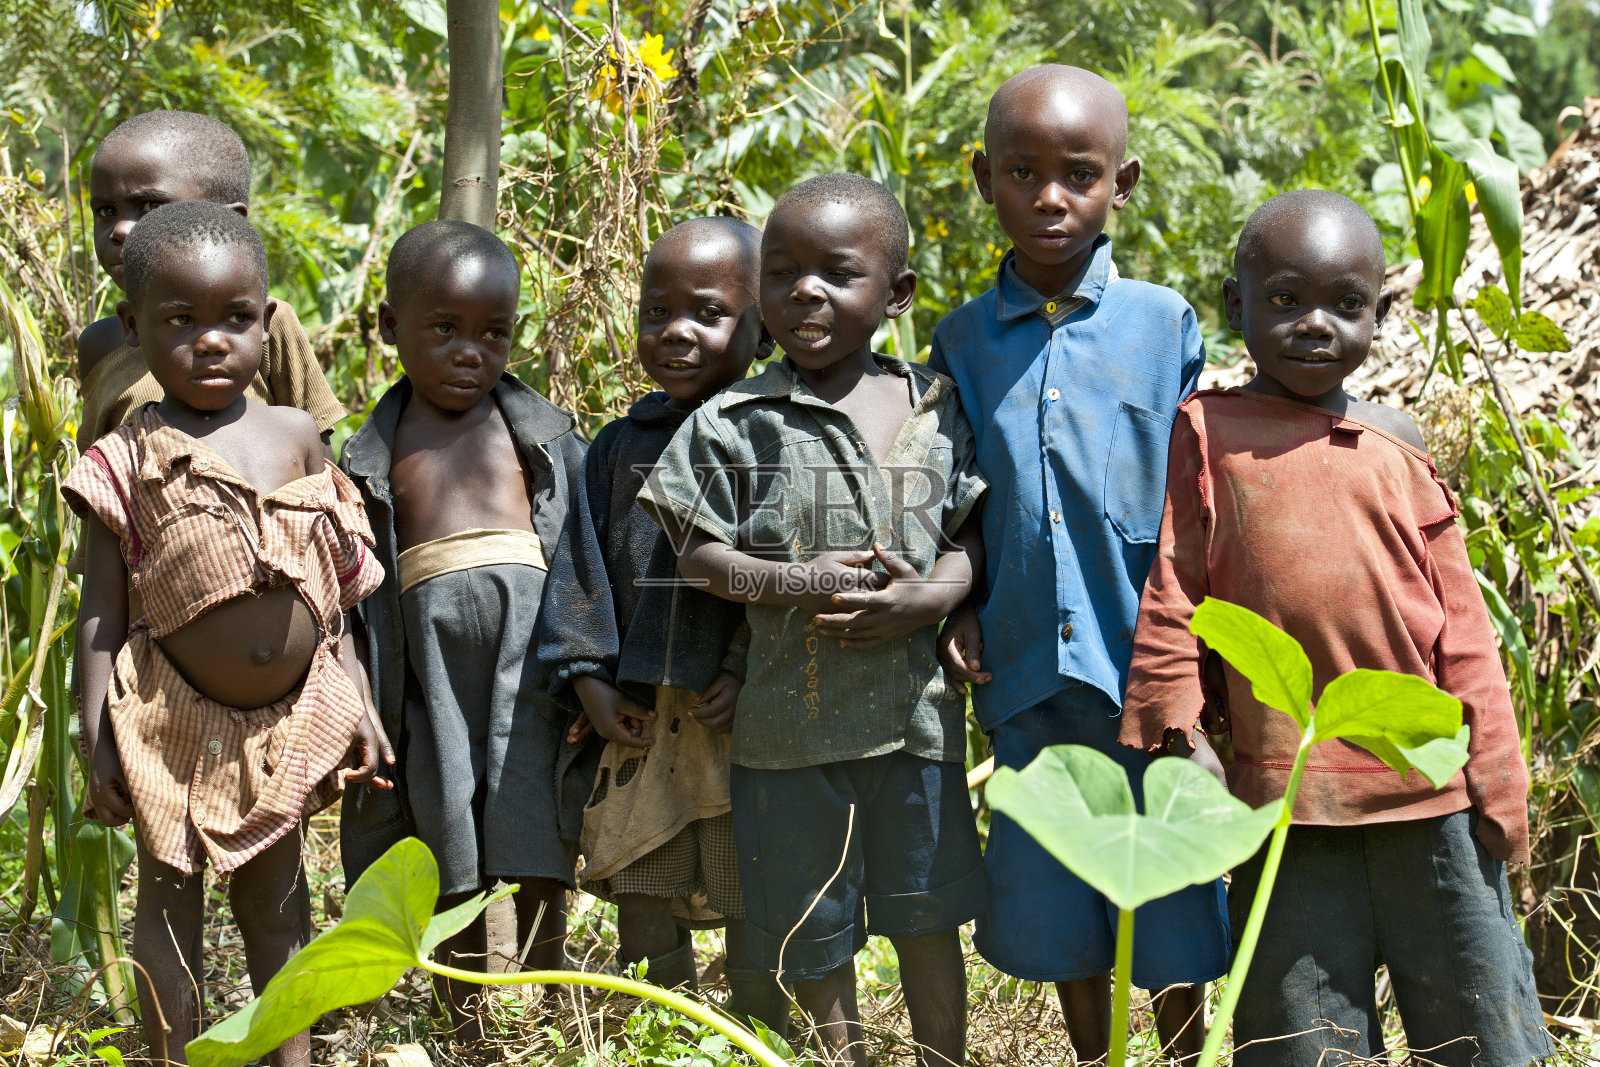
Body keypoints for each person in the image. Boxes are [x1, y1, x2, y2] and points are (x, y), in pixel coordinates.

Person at [1120, 190, 1551, 1067]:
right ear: (1237, 305)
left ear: (1381, 313)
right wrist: (1175, 724)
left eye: (1344, 303)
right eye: (1285, 300)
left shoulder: (1398, 446)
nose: (1314, 324)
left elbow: (1463, 630)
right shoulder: (1206, 433)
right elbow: (1173, 586)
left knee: (1478, 1025)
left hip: (1432, 801)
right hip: (1288, 813)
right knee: (1300, 1038)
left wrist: (1498, 780)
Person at [640, 174, 988, 1067]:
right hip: (786, 736)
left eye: (837, 273)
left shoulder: (938, 408)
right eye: (783, 271)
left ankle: (941, 1057)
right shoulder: (734, 421)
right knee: (811, 926)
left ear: (896, 295)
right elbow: (699, 557)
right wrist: (799, 582)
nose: (806, 292)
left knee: (926, 914)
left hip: (916, 728)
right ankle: (846, 1057)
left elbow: (970, 538)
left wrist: (933, 597)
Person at [927, 64, 1226, 1062]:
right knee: (1055, 879)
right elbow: (960, 488)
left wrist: (1195, 652)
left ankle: (1181, 1051)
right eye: (1021, 171)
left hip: (1145, 651)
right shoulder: (961, 341)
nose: (1049, 197)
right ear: (982, 179)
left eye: (1079, 175)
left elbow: (1194, 489)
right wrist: (960, 595)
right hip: (1024, 662)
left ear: (1121, 183)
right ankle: (1096, 1054)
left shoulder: (1160, 321)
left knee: (1173, 874)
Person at [64, 201, 389, 1067]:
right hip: (166, 725)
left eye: (235, 319)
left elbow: (340, 580)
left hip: (284, 724)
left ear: (267, 320)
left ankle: (291, 1059)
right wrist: (95, 730)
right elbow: (100, 608)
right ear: (133, 328)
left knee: (278, 907)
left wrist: (356, 695)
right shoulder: (124, 455)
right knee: (169, 908)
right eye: (180, 321)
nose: (212, 341)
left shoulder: (296, 436)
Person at [338, 220, 588, 1038]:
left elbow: (584, 553)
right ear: (390, 328)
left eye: (493, 333)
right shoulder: (368, 456)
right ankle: (465, 1016)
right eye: (443, 330)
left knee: (536, 825)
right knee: (449, 829)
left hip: (532, 672)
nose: (469, 353)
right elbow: (352, 590)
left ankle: (556, 1002)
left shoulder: (545, 438)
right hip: (432, 679)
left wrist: (590, 662)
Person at [538, 217, 772, 1010]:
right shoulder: (618, 445)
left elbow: (786, 572)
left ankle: (754, 1028)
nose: (675, 332)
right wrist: (586, 677)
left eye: (707, 313)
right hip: (641, 714)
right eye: (656, 312)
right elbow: (581, 566)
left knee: (750, 886)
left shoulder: (775, 439)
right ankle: (663, 1028)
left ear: (762, 323)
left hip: (740, 715)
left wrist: (745, 666)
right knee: (641, 877)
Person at [78, 110, 344, 456]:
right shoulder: (100, 344)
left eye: (150, 206)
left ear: (231, 221)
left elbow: (318, 463)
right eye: (106, 212)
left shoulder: (265, 323)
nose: (120, 231)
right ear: (131, 325)